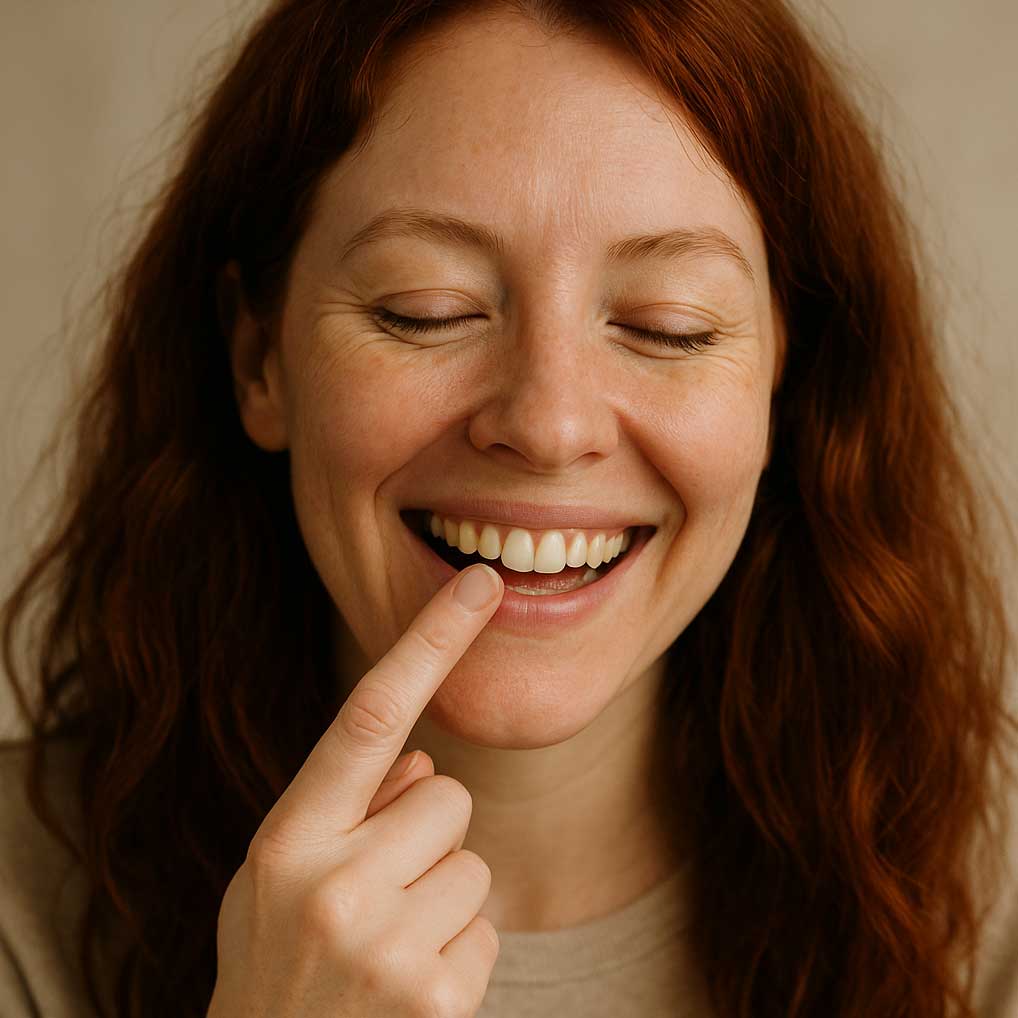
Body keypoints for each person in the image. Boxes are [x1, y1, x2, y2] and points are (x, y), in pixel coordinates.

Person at [2, 0, 1016, 1016]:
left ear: (783, 384)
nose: (548, 424)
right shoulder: (19, 907)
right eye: (425, 309)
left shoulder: (987, 908)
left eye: (669, 327)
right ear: (258, 359)